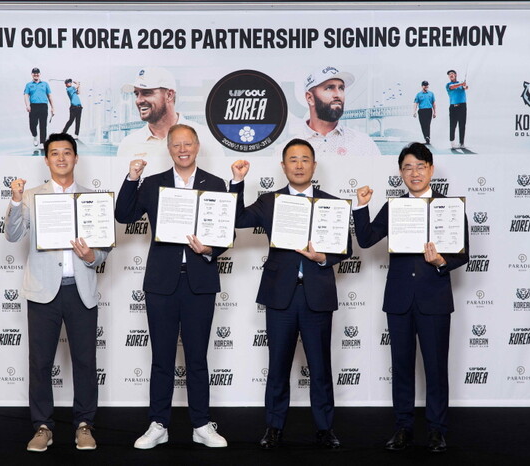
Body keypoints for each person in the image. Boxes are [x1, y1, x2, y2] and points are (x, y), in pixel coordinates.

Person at [230, 138, 352, 449]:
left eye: (305, 159)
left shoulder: (332, 203)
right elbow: (238, 220)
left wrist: (323, 258)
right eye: (293, 160)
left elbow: (345, 248)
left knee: (320, 367)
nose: (299, 165)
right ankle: (274, 427)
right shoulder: (269, 201)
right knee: (278, 367)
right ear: (283, 166)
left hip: (317, 295)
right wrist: (238, 182)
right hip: (280, 296)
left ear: (314, 165)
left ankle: (325, 428)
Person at [115, 124, 230, 450]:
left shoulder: (215, 183)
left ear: (197, 146)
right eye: (176, 144)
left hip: (200, 281)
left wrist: (210, 249)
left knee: (197, 358)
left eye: (188, 144)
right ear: (168, 149)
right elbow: (123, 215)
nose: (183, 149)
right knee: (162, 358)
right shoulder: (152, 183)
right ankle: (159, 424)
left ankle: (201, 424)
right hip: (162, 282)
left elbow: (226, 232)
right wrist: (132, 178)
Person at [351, 142, 469, 453]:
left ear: (431, 169)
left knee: (436, 369)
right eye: (407, 167)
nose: (414, 173)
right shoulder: (394, 207)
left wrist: (441, 261)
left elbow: (463, 254)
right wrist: (361, 206)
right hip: (399, 299)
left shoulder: (450, 207)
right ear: (401, 173)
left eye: (420, 166)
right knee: (401, 367)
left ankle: (437, 430)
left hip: (434, 299)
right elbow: (366, 239)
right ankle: (403, 428)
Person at [4, 133, 110, 452]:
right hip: (42, 292)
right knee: (40, 363)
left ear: (76, 158)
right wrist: (15, 201)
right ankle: (42, 427)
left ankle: (84, 425)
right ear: (46, 159)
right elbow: (12, 235)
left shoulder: (93, 198)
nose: (61, 158)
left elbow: (103, 249)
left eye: (67, 152)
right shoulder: (30, 196)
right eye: (54, 153)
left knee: (85, 362)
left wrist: (92, 256)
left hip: (81, 291)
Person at [116, 67, 224, 159]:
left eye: (147, 93)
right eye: (136, 94)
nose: (139, 100)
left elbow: (220, 176)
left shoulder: (205, 138)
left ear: (169, 95)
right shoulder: (128, 144)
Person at [293, 66, 381, 157]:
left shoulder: (364, 144)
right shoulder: (288, 149)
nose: (338, 95)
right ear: (310, 98)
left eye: (341, 88)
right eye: (329, 88)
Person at [23, 67, 54, 148]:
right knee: (32, 124)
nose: (36, 74)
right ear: (32, 74)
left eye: (37, 73)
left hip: (43, 106)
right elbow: (26, 95)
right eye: (34, 73)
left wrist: (52, 107)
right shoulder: (29, 85)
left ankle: (42, 142)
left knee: (43, 125)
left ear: (39, 74)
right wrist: (27, 105)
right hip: (33, 106)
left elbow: (49, 96)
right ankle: (35, 136)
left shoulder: (45, 84)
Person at [446, 70, 469, 149]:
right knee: (453, 125)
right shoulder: (448, 85)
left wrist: (464, 85)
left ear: (455, 75)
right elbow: (452, 87)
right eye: (449, 74)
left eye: (452, 73)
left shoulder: (460, 84)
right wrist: (461, 84)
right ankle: (452, 143)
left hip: (462, 106)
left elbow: (465, 87)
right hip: (453, 107)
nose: (450, 75)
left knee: (462, 125)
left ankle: (461, 143)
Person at [413, 80, 436, 145]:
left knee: (428, 124)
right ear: (422, 86)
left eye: (427, 85)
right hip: (421, 111)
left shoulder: (431, 94)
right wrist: (414, 111)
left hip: (429, 110)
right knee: (423, 125)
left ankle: (428, 137)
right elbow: (416, 103)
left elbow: (434, 103)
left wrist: (435, 112)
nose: (426, 86)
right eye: (425, 85)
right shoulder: (418, 94)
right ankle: (426, 137)